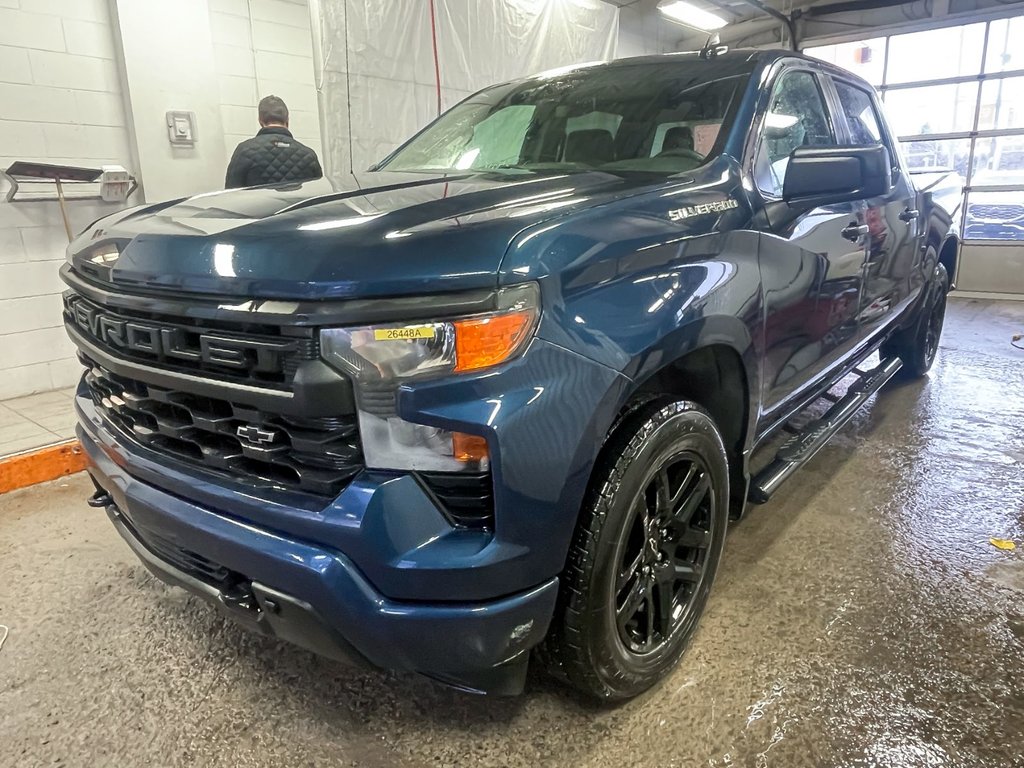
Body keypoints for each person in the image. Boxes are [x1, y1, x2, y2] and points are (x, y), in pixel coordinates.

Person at [225, 95, 323, 188]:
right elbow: (319, 197)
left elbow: (231, 195)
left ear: (260, 120)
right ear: (287, 120)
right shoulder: (308, 155)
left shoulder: (244, 151)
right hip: (299, 206)